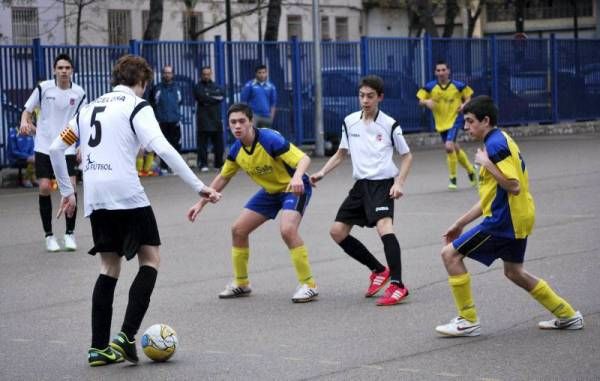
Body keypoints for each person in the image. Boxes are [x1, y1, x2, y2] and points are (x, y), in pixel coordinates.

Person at [48, 54, 221, 366]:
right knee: (151, 258)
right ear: (142, 82)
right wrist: (199, 186)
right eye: (145, 85)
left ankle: (98, 348)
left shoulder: (87, 109)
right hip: (126, 194)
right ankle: (126, 336)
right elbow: (163, 147)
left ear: (116, 77)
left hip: (96, 196)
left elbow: (56, 148)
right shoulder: (137, 106)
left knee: (108, 267)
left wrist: (67, 191)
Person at [435, 95, 583, 337]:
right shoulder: (498, 140)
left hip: (505, 221)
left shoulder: (495, 147)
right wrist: (459, 223)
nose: (466, 127)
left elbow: (513, 186)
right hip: (516, 217)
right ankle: (567, 314)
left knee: (450, 254)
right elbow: (490, 199)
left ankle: (468, 319)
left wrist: (488, 164)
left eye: (470, 121)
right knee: (514, 272)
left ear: (485, 120)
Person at [188, 103, 318, 303]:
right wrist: (200, 204)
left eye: (242, 121)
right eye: (233, 122)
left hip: (294, 188)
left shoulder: (269, 139)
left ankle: (309, 285)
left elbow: (303, 159)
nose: (237, 126)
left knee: (287, 230)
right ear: (228, 125)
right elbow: (223, 178)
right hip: (270, 192)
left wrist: (298, 177)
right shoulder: (236, 150)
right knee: (238, 230)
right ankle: (242, 283)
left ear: (250, 122)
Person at [310, 75, 413, 306]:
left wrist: (399, 183)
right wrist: (321, 173)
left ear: (380, 98)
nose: (365, 100)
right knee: (337, 232)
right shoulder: (349, 121)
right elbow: (341, 153)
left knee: (384, 227)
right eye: (362, 95)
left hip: (382, 184)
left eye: (370, 96)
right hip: (361, 186)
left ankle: (397, 285)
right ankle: (378, 270)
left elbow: (407, 156)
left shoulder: (389, 124)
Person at [20, 53, 87, 252]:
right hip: (44, 145)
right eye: (60, 68)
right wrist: (25, 121)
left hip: (66, 146)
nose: (64, 71)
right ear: (54, 70)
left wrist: (82, 145)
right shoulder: (43, 88)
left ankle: (69, 234)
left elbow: (83, 121)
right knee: (45, 187)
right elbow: (27, 110)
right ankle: (49, 235)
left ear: (72, 71)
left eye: (67, 68)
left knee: (71, 188)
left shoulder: (79, 92)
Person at [417, 60, 477, 190]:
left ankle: (453, 178)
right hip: (441, 123)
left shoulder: (458, 85)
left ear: (448, 71)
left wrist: (464, 105)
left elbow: (468, 96)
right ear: (435, 72)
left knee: (449, 147)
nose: (441, 73)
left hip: (455, 119)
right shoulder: (430, 87)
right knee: (454, 148)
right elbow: (420, 100)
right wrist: (426, 102)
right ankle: (471, 171)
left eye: (443, 70)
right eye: (438, 70)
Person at [149, 64, 182, 175]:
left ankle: (175, 168)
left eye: (169, 72)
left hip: (174, 121)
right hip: (162, 122)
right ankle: (163, 167)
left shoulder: (177, 88)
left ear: (172, 74)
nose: (167, 74)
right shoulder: (157, 88)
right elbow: (153, 103)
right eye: (166, 72)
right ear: (163, 74)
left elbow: (179, 101)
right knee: (163, 146)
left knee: (175, 146)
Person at [193, 66, 225, 172]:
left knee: (218, 145)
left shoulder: (216, 86)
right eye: (204, 74)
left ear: (211, 74)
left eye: (208, 74)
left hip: (216, 120)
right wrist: (211, 97)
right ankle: (203, 164)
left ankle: (218, 164)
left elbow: (221, 96)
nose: (206, 76)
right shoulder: (198, 87)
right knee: (202, 145)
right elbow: (201, 97)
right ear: (201, 75)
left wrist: (208, 96)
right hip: (203, 121)